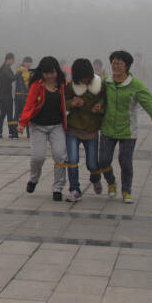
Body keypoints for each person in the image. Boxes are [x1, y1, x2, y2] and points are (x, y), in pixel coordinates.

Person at [99, 51, 152, 204]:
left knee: (125, 161)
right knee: (103, 160)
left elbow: (150, 104)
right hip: (108, 128)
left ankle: (126, 191)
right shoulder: (107, 81)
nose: (115, 66)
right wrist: (99, 105)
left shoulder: (136, 84)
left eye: (119, 64)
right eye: (113, 63)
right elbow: (101, 98)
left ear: (127, 66)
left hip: (128, 130)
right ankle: (111, 182)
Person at [17, 56, 69, 202]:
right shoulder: (37, 85)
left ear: (57, 71)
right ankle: (34, 179)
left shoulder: (62, 84)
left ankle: (58, 188)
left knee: (60, 156)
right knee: (38, 157)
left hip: (57, 125)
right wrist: (22, 123)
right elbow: (29, 104)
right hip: (38, 126)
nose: (49, 76)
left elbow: (68, 101)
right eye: (46, 73)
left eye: (52, 72)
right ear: (42, 72)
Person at [64, 59, 107, 202]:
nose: (85, 80)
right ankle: (74, 189)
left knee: (92, 164)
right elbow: (63, 101)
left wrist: (100, 108)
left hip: (91, 128)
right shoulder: (71, 86)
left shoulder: (99, 85)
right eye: (81, 77)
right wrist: (73, 103)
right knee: (72, 160)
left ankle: (95, 178)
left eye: (87, 76)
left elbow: (105, 99)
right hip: (74, 128)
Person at [0, 53, 17, 139]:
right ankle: (11, 133)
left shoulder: (2, 68)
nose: (12, 61)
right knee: (9, 114)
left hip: (1, 94)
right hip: (6, 94)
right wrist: (20, 73)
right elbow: (11, 78)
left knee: (2, 114)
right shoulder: (6, 68)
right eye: (11, 59)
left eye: (13, 59)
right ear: (6, 59)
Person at [13, 57, 32, 139]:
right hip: (24, 95)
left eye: (30, 62)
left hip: (17, 94)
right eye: (27, 62)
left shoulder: (18, 70)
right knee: (27, 114)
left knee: (16, 114)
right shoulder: (25, 71)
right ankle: (29, 134)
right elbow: (27, 84)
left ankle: (14, 134)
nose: (29, 64)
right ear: (24, 62)